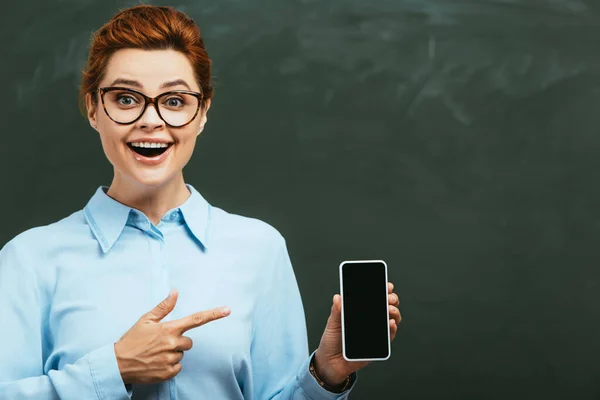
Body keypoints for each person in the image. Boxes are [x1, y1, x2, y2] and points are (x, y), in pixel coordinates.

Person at [0, 4, 402, 399]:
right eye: (126, 99)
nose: (151, 120)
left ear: (203, 112)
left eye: (174, 101)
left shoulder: (259, 249)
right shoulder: (29, 259)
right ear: (93, 108)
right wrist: (115, 369)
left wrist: (327, 372)